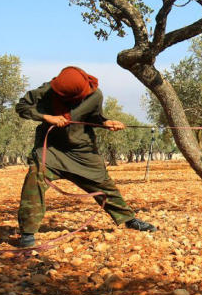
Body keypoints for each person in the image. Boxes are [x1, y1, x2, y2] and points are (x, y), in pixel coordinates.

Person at [14, 66, 155, 248]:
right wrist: (46, 117)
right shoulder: (48, 89)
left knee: (103, 183)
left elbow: (94, 117)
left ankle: (129, 219)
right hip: (51, 149)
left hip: (81, 150)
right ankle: (27, 232)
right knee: (35, 176)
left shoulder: (95, 95)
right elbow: (22, 107)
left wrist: (106, 122)